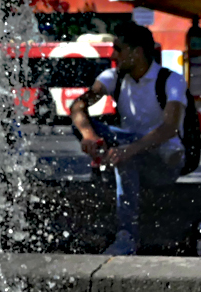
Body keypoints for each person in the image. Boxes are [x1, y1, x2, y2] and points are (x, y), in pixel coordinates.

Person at [69, 22, 188, 256]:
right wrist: (89, 136)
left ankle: (126, 238)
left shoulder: (171, 80)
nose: (113, 55)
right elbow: (78, 106)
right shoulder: (114, 77)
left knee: (128, 154)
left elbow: (169, 128)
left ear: (137, 52)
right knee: (90, 130)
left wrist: (131, 149)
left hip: (163, 162)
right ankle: (125, 237)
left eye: (118, 49)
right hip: (130, 149)